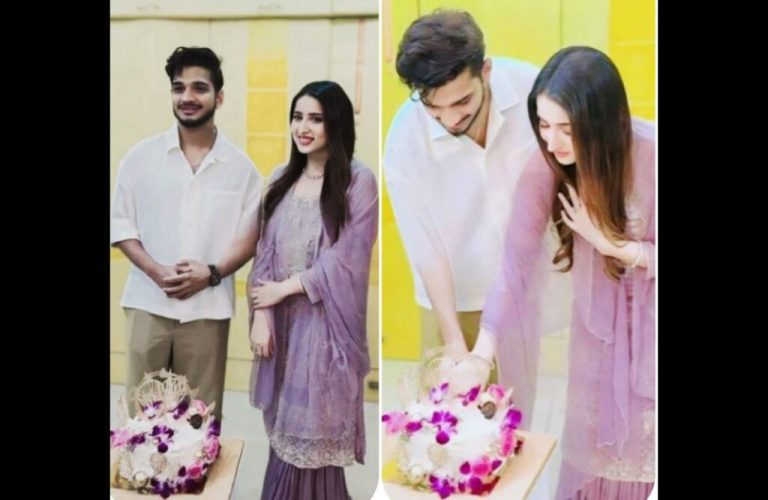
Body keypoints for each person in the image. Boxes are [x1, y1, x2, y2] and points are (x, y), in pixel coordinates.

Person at [474, 46, 656, 499]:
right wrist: (482, 350)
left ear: (603, 121)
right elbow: (513, 266)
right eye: (543, 125)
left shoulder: (651, 154)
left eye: (567, 129)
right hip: (596, 337)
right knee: (589, 455)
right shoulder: (549, 165)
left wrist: (613, 245)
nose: (553, 142)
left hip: (652, 336)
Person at [110, 46, 263, 422]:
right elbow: (120, 223)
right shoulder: (140, 157)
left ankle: (194, 483)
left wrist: (211, 273)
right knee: (140, 417)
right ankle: (139, 481)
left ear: (219, 97)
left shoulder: (242, 169)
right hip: (148, 303)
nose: (187, 97)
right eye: (179, 88)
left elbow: (251, 236)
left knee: (199, 417)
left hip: (208, 309)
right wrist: (155, 271)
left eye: (199, 88)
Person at [384, 9, 540, 368]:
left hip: (525, 285)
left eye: (462, 102)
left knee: (511, 408)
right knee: (446, 408)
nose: (451, 119)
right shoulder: (405, 142)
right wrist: (453, 338)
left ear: (486, 71)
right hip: (455, 292)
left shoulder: (531, 90)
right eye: (434, 108)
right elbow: (424, 246)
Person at [247, 81, 378, 499]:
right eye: (298, 116)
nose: (302, 127)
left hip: (324, 332)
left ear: (334, 124)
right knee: (282, 434)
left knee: (311, 435)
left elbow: (348, 259)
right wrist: (263, 316)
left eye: (315, 119)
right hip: (282, 326)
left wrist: (283, 290)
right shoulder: (281, 178)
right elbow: (263, 251)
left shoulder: (358, 181)